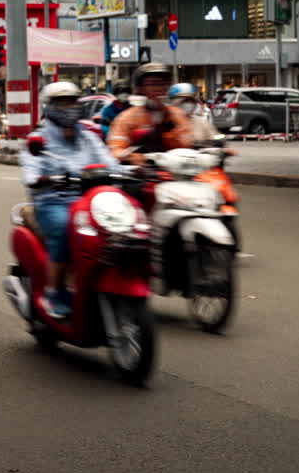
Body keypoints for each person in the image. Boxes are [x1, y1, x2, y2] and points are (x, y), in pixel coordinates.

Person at [20, 81, 118, 319]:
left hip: (91, 201)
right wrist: (49, 179)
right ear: (50, 107)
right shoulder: (38, 139)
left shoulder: (88, 136)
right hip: (54, 202)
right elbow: (31, 176)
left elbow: (110, 163)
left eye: (73, 102)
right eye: (63, 103)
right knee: (65, 230)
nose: (70, 107)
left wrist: (131, 170)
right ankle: (54, 292)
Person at [108, 62, 194, 163]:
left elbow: (187, 147)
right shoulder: (126, 118)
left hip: (176, 172)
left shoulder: (177, 115)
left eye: (164, 84)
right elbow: (116, 150)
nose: (160, 89)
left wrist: (168, 131)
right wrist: (135, 157)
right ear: (141, 89)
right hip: (140, 174)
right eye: (154, 84)